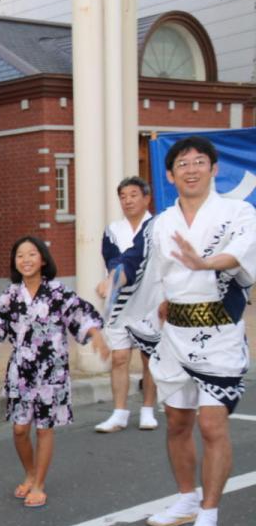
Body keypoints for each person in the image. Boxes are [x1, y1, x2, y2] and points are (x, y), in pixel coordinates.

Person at [133, 136, 256, 526]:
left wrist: (205, 262)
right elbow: (151, 275)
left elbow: (240, 254)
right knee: (178, 422)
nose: (191, 169)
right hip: (175, 333)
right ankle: (186, 498)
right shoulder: (162, 222)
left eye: (199, 161)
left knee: (211, 424)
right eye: (182, 163)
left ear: (214, 168)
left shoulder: (238, 212)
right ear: (170, 175)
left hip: (219, 332)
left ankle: (208, 514)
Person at [0, 236, 109, 509]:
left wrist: (95, 335)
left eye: (31, 254)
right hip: (21, 371)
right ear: (14, 262)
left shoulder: (57, 291)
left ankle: (39, 483)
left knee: (43, 429)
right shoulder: (11, 293)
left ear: (42, 259)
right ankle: (29, 472)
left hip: (52, 370)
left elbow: (80, 314)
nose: (26, 260)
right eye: (20, 255)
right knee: (19, 429)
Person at [93, 176, 158, 433]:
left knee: (148, 357)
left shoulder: (158, 226)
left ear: (146, 198)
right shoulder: (112, 230)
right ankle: (119, 412)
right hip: (120, 303)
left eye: (133, 194)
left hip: (151, 301)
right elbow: (113, 260)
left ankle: (148, 409)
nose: (128, 200)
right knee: (119, 358)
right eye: (123, 196)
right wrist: (111, 280)